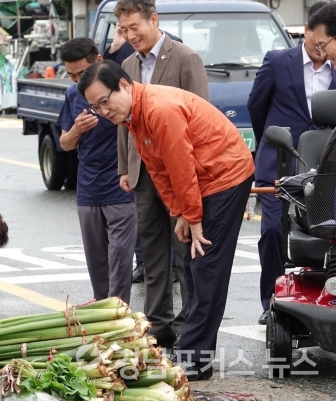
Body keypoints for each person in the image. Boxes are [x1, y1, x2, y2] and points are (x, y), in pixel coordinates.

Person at [77, 60, 255, 380]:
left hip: (224, 175)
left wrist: (194, 218)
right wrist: (179, 214)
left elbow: (181, 167)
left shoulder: (160, 110)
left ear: (124, 85)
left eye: (105, 102)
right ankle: (193, 346)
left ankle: (197, 359)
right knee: (189, 260)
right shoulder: (134, 115)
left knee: (206, 263)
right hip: (201, 179)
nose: (103, 111)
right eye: (95, 107)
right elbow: (159, 170)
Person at [114, 0, 209, 349]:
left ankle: (190, 322)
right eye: (124, 30)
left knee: (185, 252)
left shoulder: (185, 58)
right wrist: (124, 167)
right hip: (143, 171)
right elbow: (123, 122)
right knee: (152, 253)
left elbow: (201, 117)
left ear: (153, 20)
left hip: (180, 170)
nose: (129, 35)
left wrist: (198, 174)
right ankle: (158, 323)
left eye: (134, 27)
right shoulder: (126, 64)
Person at [247, 1, 336, 325]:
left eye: (329, 46)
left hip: (325, 165)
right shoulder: (276, 61)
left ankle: (324, 295)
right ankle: (271, 300)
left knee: (325, 232)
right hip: (279, 161)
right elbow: (256, 107)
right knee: (272, 230)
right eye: (319, 43)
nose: (322, 51)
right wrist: (270, 144)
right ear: (308, 30)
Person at [56, 38, 136, 304]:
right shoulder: (72, 95)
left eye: (82, 73)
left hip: (122, 187)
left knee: (120, 258)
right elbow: (65, 144)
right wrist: (77, 129)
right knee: (96, 260)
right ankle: (103, 310)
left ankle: (119, 311)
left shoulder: (120, 91)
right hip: (88, 188)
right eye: (72, 75)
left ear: (98, 61)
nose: (78, 80)